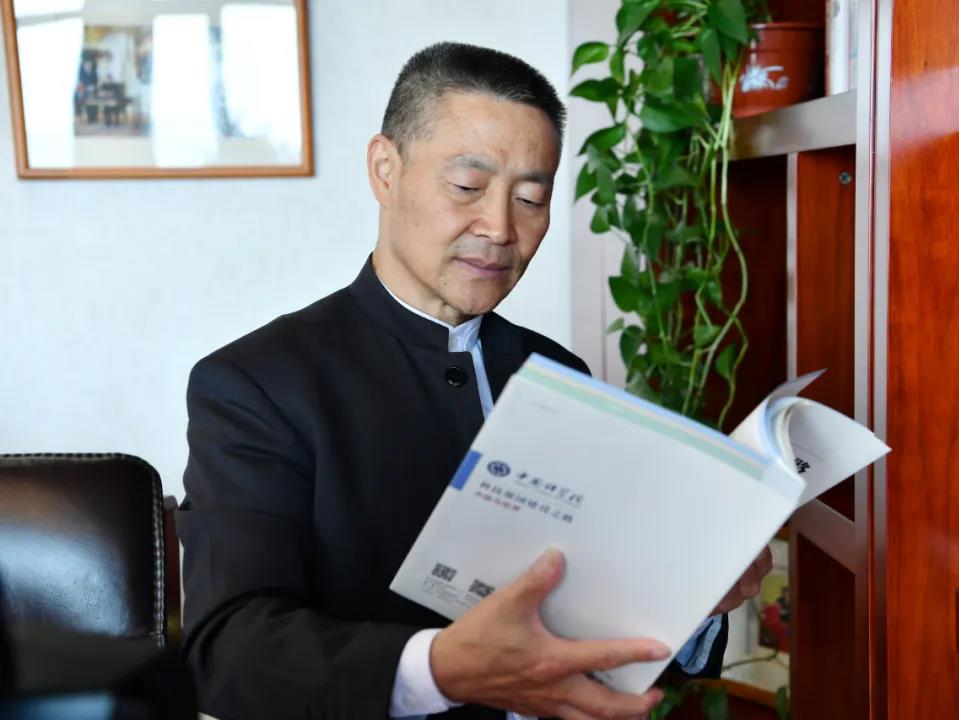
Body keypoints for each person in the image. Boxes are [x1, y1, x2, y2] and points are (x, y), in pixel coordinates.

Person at [178, 42, 772, 720]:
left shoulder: (559, 376)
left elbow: (592, 622)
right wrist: (441, 668)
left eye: (531, 198)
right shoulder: (257, 383)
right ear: (385, 169)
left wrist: (693, 603)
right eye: (467, 187)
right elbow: (228, 652)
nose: (499, 228)